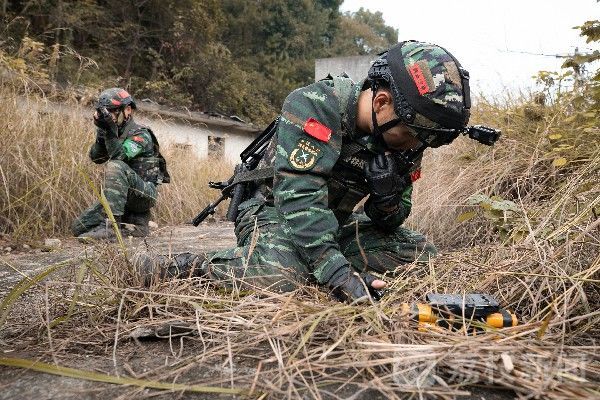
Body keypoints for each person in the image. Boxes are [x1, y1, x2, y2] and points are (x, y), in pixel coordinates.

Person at [136, 40, 475, 302]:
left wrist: (387, 199)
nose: (414, 147)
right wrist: (337, 272)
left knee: (419, 254)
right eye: (412, 135)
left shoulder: (406, 139)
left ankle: (308, 259)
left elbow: (393, 219)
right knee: (282, 278)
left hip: (331, 220)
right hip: (271, 211)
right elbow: (298, 198)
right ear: (382, 104)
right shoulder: (314, 105)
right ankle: (186, 267)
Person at [72, 88, 170, 240]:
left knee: (115, 165)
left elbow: (120, 156)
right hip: (122, 197)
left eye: (112, 111)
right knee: (79, 226)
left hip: (144, 196)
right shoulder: (111, 131)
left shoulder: (141, 134)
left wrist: (110, 133)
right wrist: (102, 132)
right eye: (105, 112)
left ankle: (112, 227)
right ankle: (134, 228)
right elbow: (96, 158)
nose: (108, 116)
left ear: (128, 110)